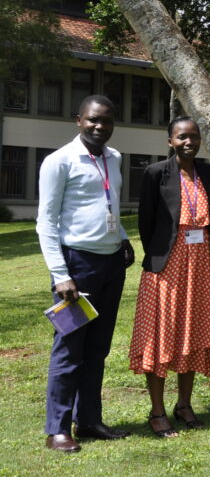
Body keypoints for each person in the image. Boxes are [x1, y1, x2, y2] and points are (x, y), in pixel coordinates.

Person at [37, 95, 135, 453]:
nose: (100, 126)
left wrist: (122, 238)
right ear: (78, 120)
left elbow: (109, 205)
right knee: (69, 349)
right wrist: (60, 274)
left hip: (110, 265)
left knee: (98, 347)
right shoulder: (59, 161)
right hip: (76, 267)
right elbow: (46, 222)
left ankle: (89, 420)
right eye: (93, 119)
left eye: (106, 120)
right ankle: (57, 429)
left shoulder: (115, 157)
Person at [128, 116, 210, 437]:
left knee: (192, 332)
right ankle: (157, 411)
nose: (188, 142)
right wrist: (160, 255)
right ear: (170, 141)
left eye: (193, 136)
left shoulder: (207, 172)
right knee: (160, 335)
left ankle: (184, 405)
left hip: (200, 267)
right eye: (181, 137)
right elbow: (146, 222)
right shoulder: (156, 173)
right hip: (167, 266)